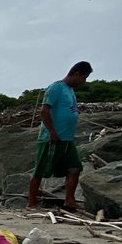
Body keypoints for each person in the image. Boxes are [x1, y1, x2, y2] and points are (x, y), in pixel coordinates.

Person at [27, 61, 93, 212]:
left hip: (67, 139)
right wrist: (52, 131)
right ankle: (31, 203)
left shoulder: (70, 91)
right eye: (84, 77)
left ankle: (70, 200)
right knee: (40, 169)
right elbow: (44, 110)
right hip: (51, 137)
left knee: (75, 167)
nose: (84, 81)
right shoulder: (56, 87)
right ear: (77, 74)